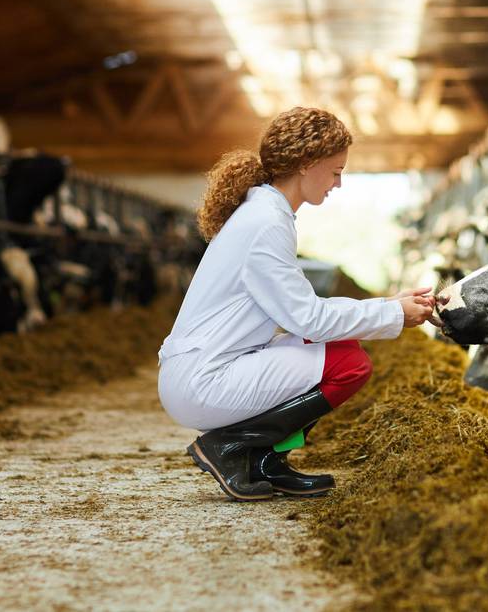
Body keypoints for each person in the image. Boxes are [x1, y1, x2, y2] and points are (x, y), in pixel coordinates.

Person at [158, 106, 435, 501]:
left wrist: (389, 302)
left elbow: (300, 310)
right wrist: (392, 314)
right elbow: (308, 319)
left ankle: (266, 462)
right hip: (205, 381)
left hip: (207, 367)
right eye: (336, 171)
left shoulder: (266, 213)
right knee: (350, 365)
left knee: (343, 350)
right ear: (308, 164)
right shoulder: (266, 223)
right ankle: (231, 446)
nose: (338, 183)